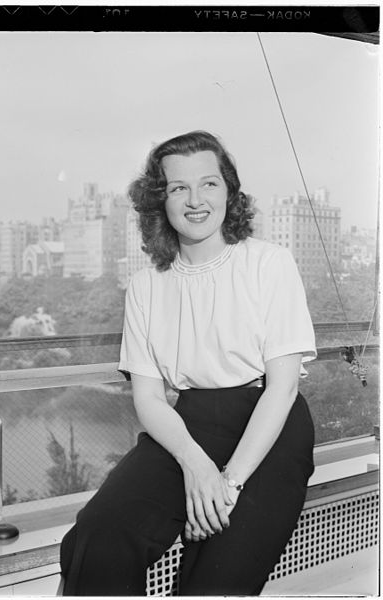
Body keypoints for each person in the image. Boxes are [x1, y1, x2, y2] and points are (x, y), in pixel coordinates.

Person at [60, 130, 317, 596]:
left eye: (209, 184)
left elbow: (283, 388)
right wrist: (196, 466)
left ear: (229, 191)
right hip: (189, 426)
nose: (195, 200)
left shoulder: (269, 263)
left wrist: (229, 483)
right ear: (162, 200)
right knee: (98, 534)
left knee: (214, 582)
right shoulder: (145, 285)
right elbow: (149, 397)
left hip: (269, 427)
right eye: (179, 188)